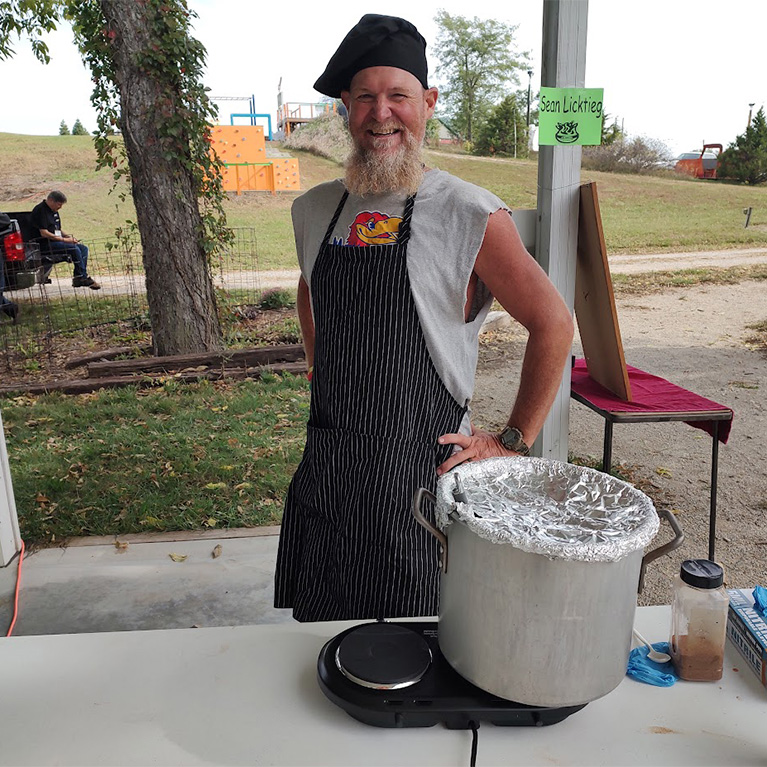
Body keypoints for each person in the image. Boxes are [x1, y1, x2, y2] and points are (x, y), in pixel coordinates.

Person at [274, 14, 574, 622]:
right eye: (365, 97)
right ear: (345, 109)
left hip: (419, 477)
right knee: (323, 640)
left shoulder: (469, 213)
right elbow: (310, 291)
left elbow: (554, 324)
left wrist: (512, 440)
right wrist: (317, 365)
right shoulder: (314, 211)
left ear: (428, 103)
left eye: (398, 96)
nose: (381, 114)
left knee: (422, 643)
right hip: (330, 468)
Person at [30, 191, 100, 289]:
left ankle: (78, 276)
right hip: (44, 244)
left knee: (83, 248)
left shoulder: (54, 212)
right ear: (51, 200)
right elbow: (44, 233)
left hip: (56, 241)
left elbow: (57, 230)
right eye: (59, 204)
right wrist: (65, 240)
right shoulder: (40, 210)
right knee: (74, 249)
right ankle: (82, 277)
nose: (60, 207)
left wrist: (68, 237)